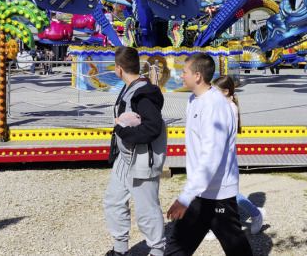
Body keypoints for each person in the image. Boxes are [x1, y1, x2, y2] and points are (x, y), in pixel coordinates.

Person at [165, 53, 252, 255]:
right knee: (177, 246)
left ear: (197, 76)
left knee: (236, 249)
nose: (180, 76)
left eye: (184, 72)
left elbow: (211, 156)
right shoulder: (194, 99)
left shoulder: (215, 105)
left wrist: (185, 197)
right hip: (200, 191)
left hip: (218, 193)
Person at [103, 47, 167, 256]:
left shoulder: (143, 94)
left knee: (146, 208)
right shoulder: (131, 88)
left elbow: (152, 128)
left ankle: (157, 251)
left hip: (141, 160)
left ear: (119, 69)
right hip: (125, 158)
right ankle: (120, 249)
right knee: (113, 200)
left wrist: (120, 130)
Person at [204, 76, 267, 241]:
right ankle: (217, 225)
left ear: (226, 92)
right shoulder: (224, 107)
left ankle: (256, 213)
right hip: (220, 157)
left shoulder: (228, 109)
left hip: (223, 158)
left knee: (228, 194)